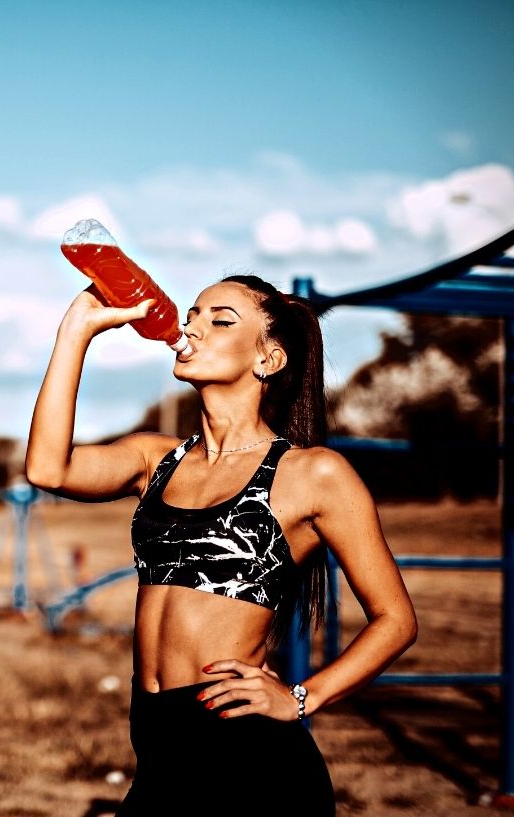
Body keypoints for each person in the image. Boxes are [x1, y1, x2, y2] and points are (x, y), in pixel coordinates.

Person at [25, 275, 418, 816]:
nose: (192, 327)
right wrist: (77, 331)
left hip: (247, 757)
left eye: (221, 320)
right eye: (193, 314)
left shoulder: (312, 474)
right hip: (158, 746)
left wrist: (303, 697)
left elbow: (395, 619)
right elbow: (49, 468)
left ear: (268, 359)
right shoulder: (155, 460)